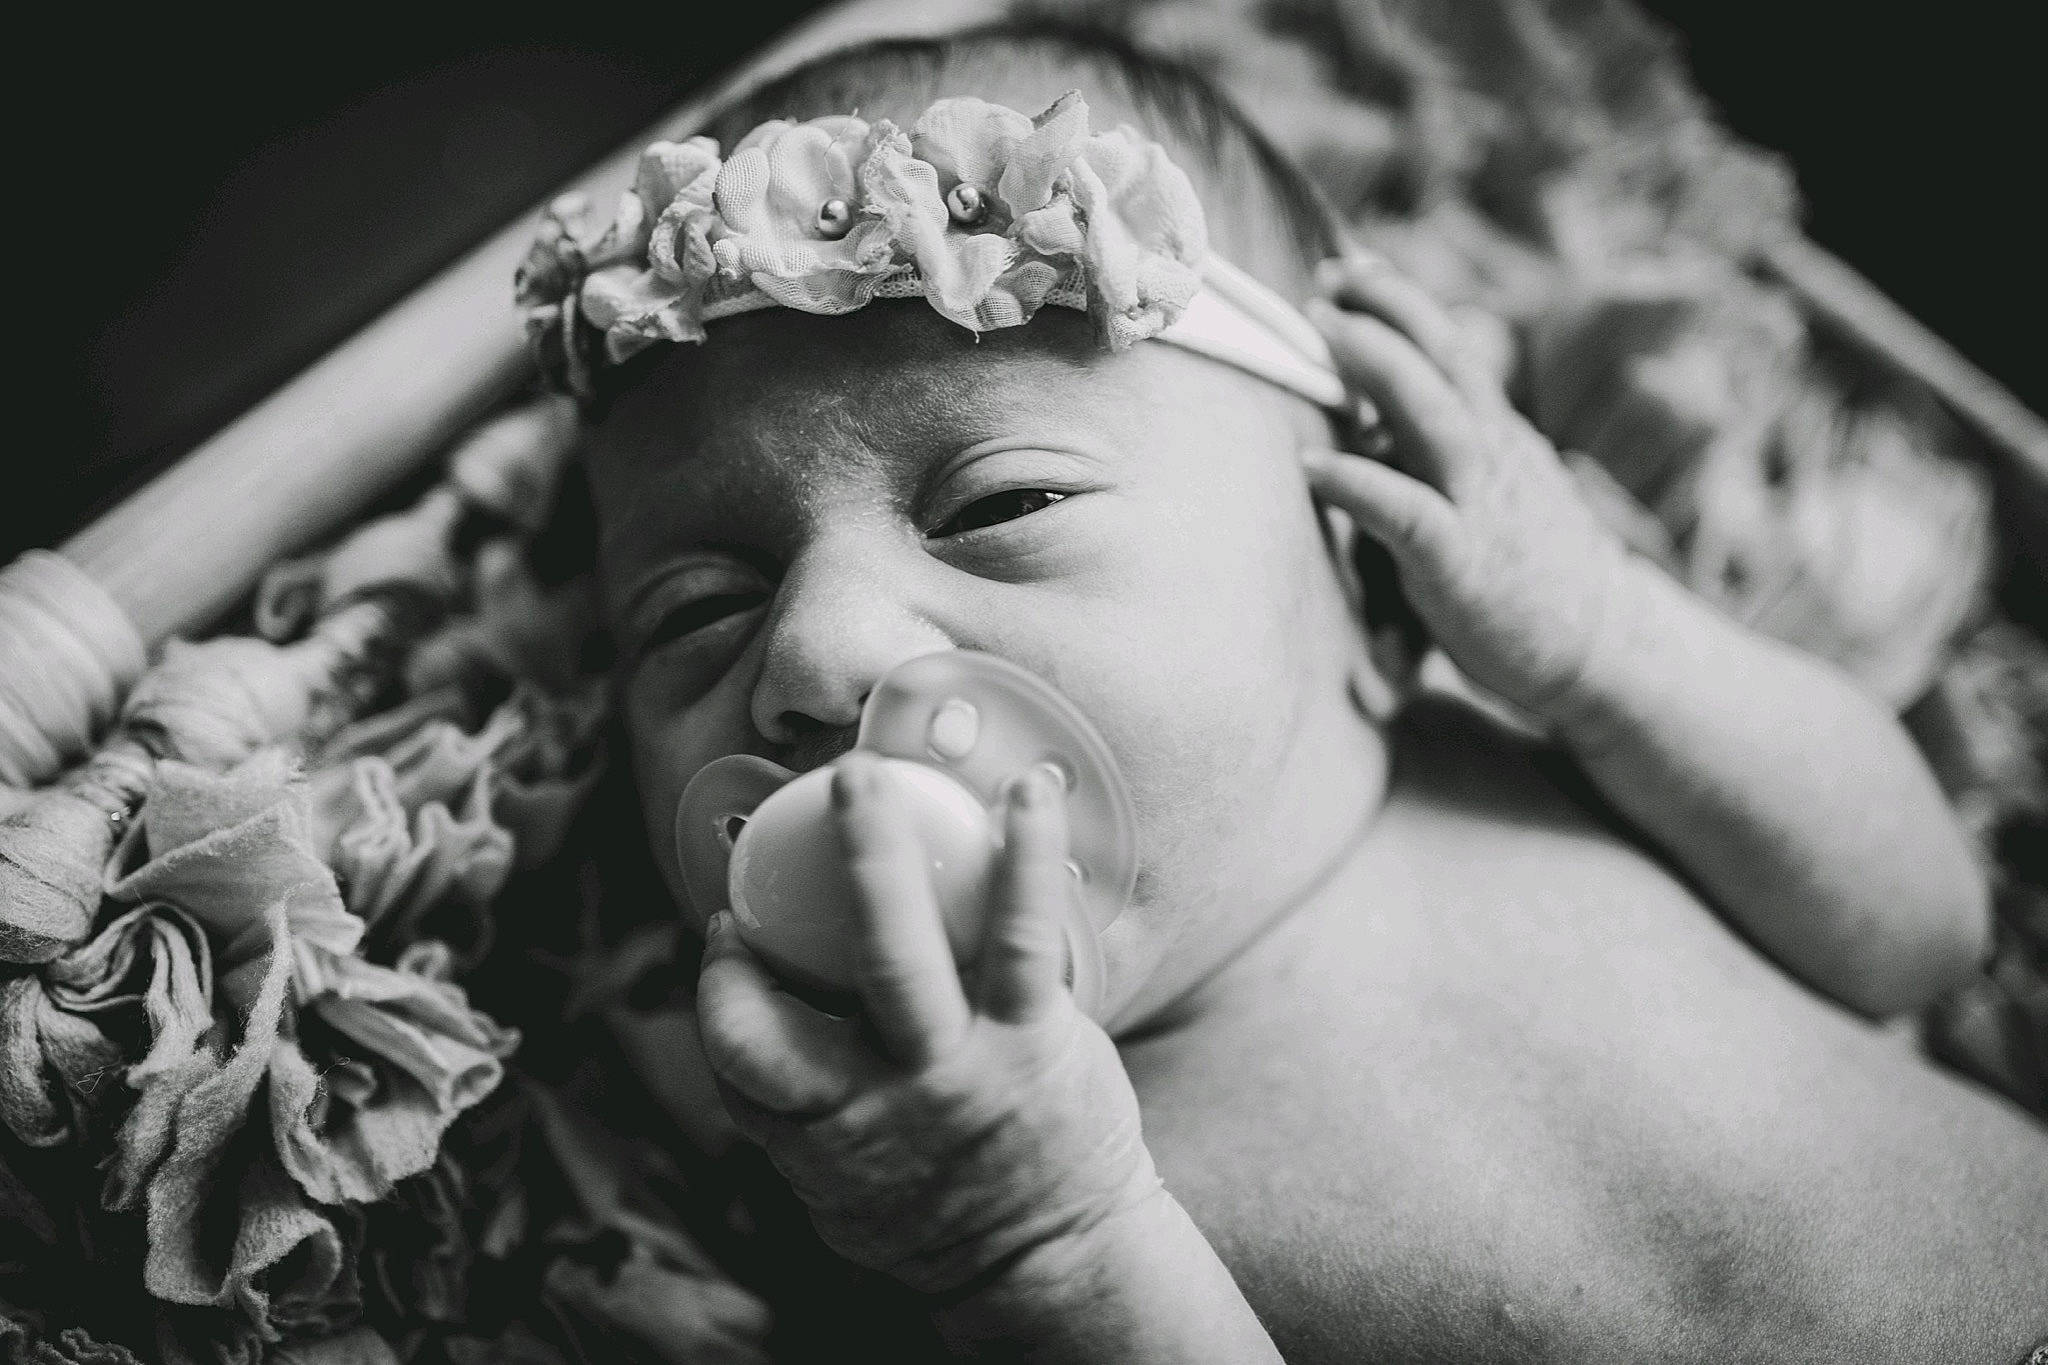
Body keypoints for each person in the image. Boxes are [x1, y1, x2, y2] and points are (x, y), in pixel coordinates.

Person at [522, 24, 2048, 1362]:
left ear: (1355, 548)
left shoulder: (1532, 746)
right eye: (696, 614)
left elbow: (1921, 929)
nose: (813, 658)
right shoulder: (928, 1172)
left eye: (999, 506)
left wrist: (1601, 637)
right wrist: (1039, 1245)